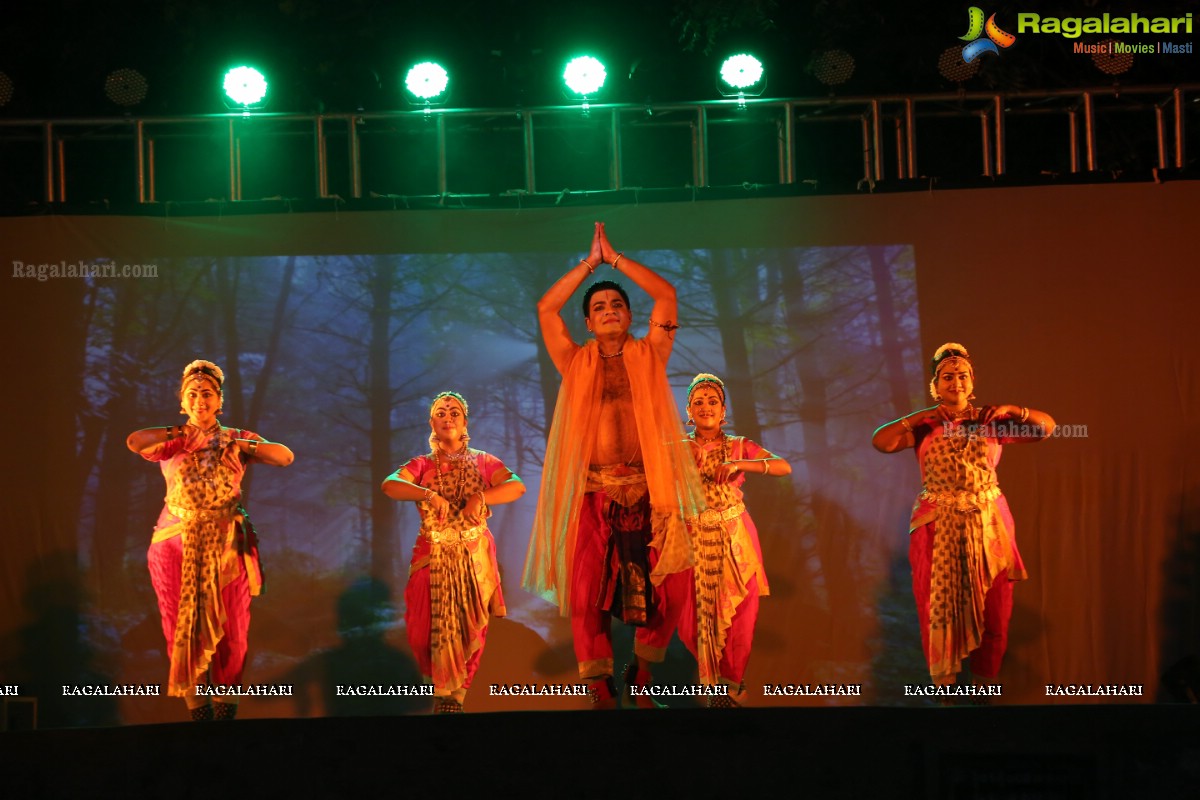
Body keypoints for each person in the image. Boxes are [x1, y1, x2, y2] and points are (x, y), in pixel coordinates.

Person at [523, 222, 704, 709]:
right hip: (594, 492)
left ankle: (643, 678)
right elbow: (545, 308)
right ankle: (600, 689)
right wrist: (589, 265)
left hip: (651, 491)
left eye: (617, 305)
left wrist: (614, 259)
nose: (608, 311)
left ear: (629, 315)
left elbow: (666, 293)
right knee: (586, 597)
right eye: (598, 307)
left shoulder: (651, 353)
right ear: (587, 322)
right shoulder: (573, 360)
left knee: (671, 588)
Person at [872, 342, 1054, 694]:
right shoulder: (925, 426)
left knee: (996, 611)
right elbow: (881, 441)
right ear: (935, 386)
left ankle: (984, 694)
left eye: (962, 376)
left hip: (988, 524)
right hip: (936, 526)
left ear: (972, 382)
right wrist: (921, 416)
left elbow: (1046, 428)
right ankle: (946, 694)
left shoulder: (991, 421)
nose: (955, 382)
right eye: (947, 377)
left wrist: (1013, 409)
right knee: (936, 612)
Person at [127, 359, 293, 721]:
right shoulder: (174, 441)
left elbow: (283, 456)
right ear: (182, 403)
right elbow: (135, 441)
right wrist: (184, 433)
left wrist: (233, 439)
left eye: (207, 393)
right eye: (192, 394)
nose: (200, 400)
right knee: (180, 622)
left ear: (219, 401)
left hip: (226, 544)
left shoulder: (236, 438)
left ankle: (225, 710)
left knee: (234, 625)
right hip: (174, 542)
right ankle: (197, 710)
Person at [382, 391, 525, 713]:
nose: (448, 417)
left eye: (455, 412)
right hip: (431, 552)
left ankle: (455, 698)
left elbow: (516, 486)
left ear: (465, 423)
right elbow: (390, 485)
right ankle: (439, 689)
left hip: (472, 556)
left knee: (471, 626)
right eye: (441, 412)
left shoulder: (484, 461)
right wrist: (427, 494)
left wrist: (482, 497)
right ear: (432, 423)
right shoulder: (420, 465)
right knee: (420, 631)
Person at [677, 373, 791, 707]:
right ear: (688, 410)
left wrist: (739, 464)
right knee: (691, 616)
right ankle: (709, 684)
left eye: (712, 401)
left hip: (734, 537)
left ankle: (728, 688)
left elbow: (783, 466)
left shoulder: (739, 444)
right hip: (693, 538)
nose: (706, 407)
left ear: (723, 409)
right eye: (698, 402)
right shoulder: (677, 447)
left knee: (741, 611)